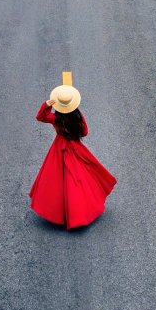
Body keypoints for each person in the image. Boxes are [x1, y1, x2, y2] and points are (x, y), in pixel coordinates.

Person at [29, 84, 116, 229]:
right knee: (79, 179)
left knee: (56, 180)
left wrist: (46, 106)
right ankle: (79, 212)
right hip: (76, 150)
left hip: (58, 150)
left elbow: (40, 117)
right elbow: (84, 132)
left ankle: (59, 212)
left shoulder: (56, 118)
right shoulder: (78, 116)